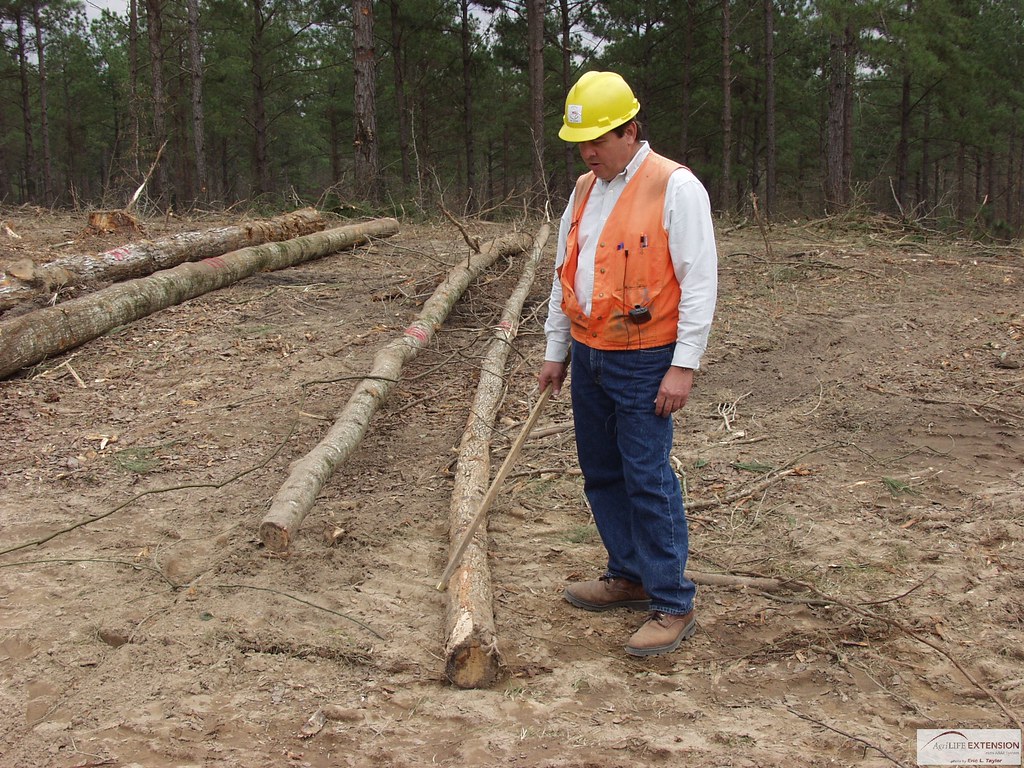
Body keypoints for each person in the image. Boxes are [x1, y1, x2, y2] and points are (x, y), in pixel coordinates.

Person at [537, 71, 718, 657]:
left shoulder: (676, 186)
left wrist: (683, 365)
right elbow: (568, 273)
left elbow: (700, 283)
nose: (588, 153)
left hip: (646, 360)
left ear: (630, 130)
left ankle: (671, 600)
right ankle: (629, 573)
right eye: (580, 143)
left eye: (598, 141)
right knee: (602, 471)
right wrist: (555, 350)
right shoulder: (584, 190)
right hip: (589, 354)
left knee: (648, 476)